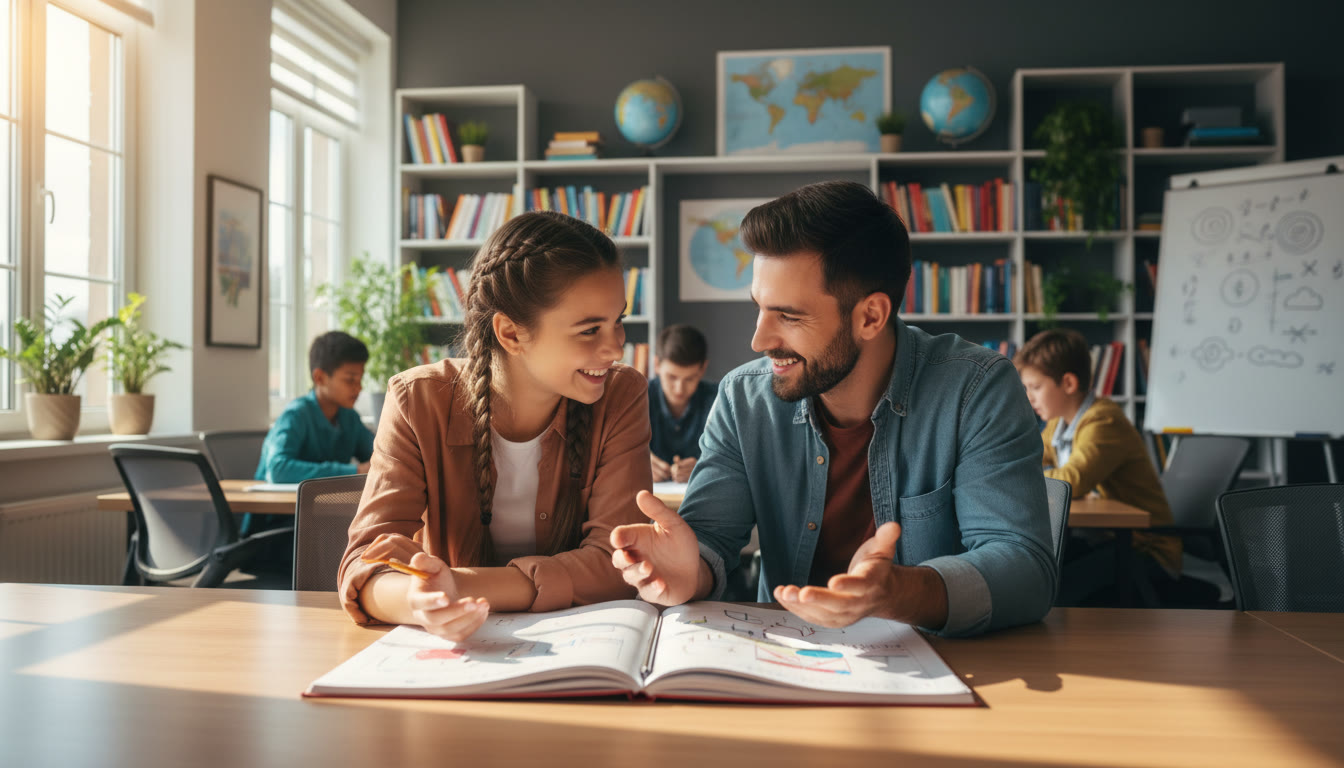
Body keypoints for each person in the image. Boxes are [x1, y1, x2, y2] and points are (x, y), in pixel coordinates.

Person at [610, 181, 1055, 638]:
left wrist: (902, 592)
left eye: (790, 316)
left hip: (939, 673)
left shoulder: (976, 389)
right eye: (760, 309)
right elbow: (709, 543)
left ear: (870, 317)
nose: (759, 340)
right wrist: (688, 573)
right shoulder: (743, 400)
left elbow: (1024, 566)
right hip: (785, 663)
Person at [339, 211, 651, 642]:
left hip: (585, 647)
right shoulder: (418, 400)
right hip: (457, 652)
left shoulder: (621, 395)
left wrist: (460, 587)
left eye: (618, 320)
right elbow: (365, 564)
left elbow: (619, 563)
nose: (616, 346)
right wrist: (420, 601)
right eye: (589, 329)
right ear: (510, 332)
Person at [1014, 329, 1182, 602]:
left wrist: (1021, 476)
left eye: (1035, 387)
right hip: (1105, 541)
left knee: (1054, 591)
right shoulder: (1058, 423)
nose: (1029, 397)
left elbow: (1070, 481)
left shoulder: (1104, 420)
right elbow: (1027, 457)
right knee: (1038, 573)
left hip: (1145, 549)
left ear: (1068, 383)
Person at [255, 330, 375, 483]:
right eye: (350, 380)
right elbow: (277, 469)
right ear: (319, 378)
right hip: (275, 506)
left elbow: (380, 455)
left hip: (323, 506)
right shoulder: (296, 415)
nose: (359, 388)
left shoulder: (350, 418)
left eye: (360, 379)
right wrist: (355, 471)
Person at [648, 324, 716, 484]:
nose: (679, 389)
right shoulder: (636, 398)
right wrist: (636, 464)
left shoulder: (720, 400)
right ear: (657, 365)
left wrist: (705, 468)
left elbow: (735, 461)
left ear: (702, 368)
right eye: (672, 377)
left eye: (689, 378)